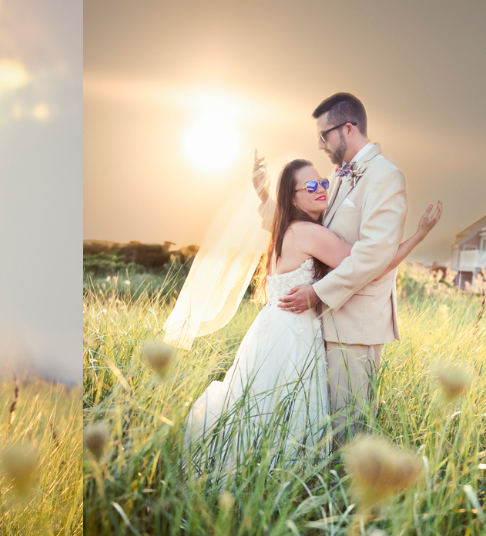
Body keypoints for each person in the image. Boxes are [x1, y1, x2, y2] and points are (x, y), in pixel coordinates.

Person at [184, 158, 440, 484]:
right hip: (293, 335)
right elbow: (370, 265)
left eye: (322, 182)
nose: (321, 190)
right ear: (293, 199)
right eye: (311, 187)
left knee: (262, 407)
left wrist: (262, 192)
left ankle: (252, 477)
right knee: (288, 412)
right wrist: (419, 234)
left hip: (269, 331)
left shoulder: (284, 227)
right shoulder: (309, 233)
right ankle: (277, 481)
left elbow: (272, 214)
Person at [255, 93, 414, 441]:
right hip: (322, 324)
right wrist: (266, 198)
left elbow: (373, 255)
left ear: (347, 129)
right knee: (320, 428)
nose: (320, 143)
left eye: (324, 134)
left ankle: (350, 496)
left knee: (349, 431)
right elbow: (303, 226)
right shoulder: (337, 176)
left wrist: (316, 292)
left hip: (356, 326)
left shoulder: (386, 177)